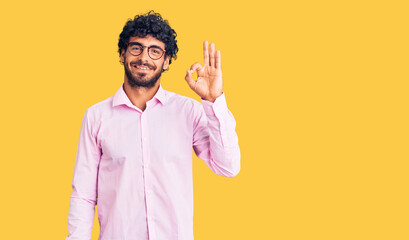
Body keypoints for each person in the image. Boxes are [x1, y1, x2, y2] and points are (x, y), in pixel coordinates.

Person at [66, 11, 240, 240]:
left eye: (155, 51)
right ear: (122, 53)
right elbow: (84, 196)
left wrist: (213, 100)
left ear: (166, 61)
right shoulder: (96, 117)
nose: (144, 58)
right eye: (136, 47)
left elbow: (228, 166)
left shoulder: (188, 112)